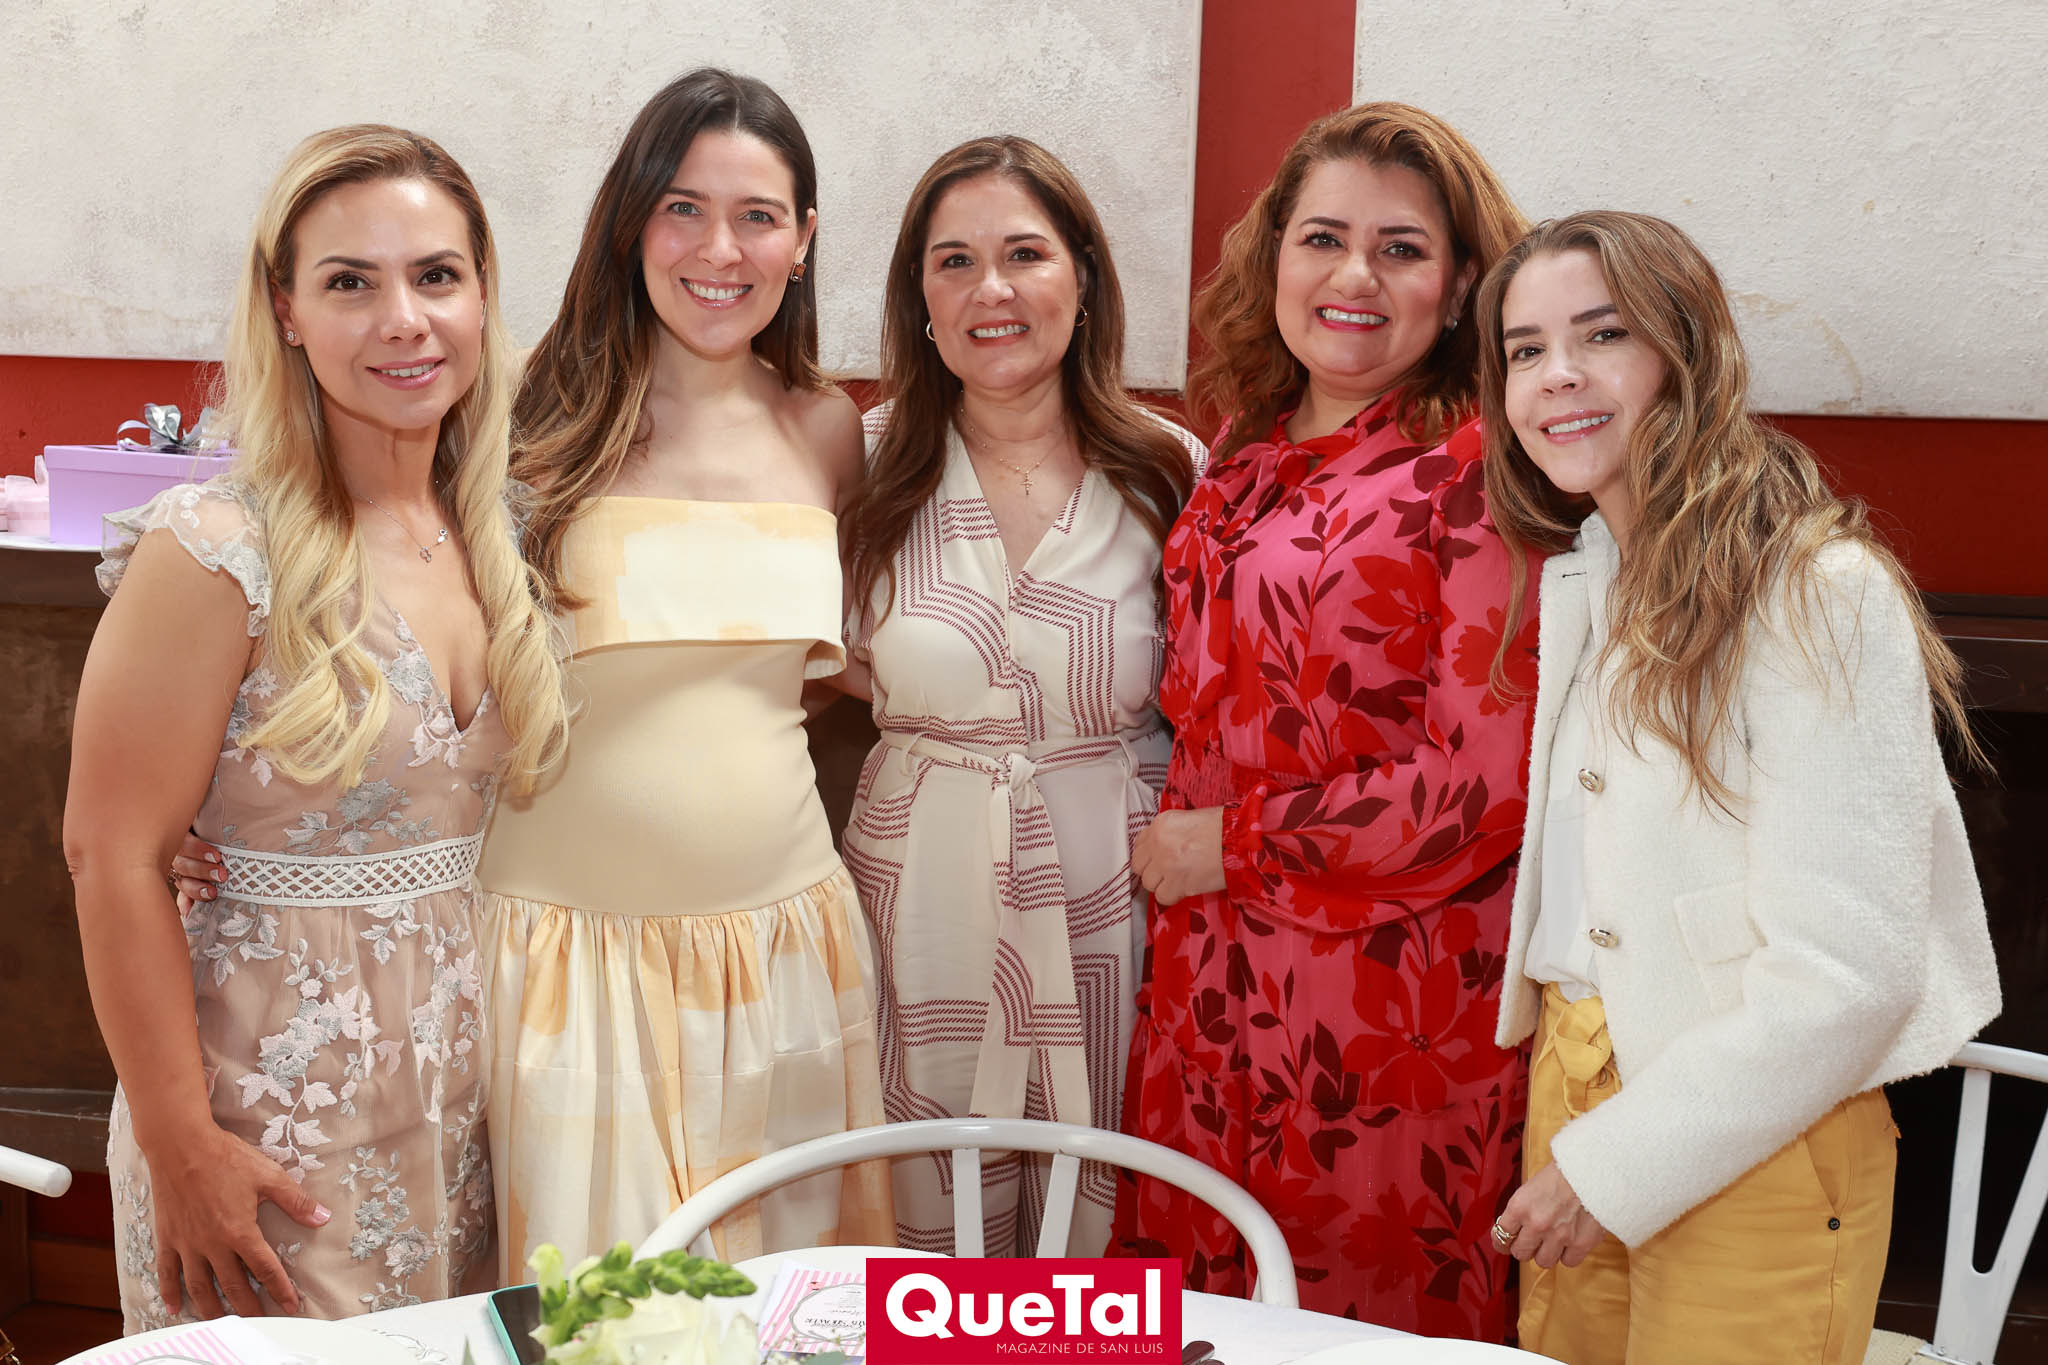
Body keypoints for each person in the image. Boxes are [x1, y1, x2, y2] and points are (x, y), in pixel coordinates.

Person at [68, 125, 568, 1328]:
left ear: (482, 296)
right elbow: (112, 857)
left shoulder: (500, 532)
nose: (404, 320)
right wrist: (184, 1148)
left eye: (436, 276)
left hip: (460, 1092)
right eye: (351, 282)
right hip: (263, 1104)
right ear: (285, 310)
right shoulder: (212, 551)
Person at [1477, 210, 1999, 1364]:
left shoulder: (1819, 590)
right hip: (1573, 1092)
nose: (1554, 374)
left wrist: (1612, 1166)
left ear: (1685, 352)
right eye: (1522, 349)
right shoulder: (1586, 580)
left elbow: (1848, 976)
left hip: (1760, 1131)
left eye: (1599, 334)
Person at [1110, 103, 1536, 1337]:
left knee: (1348, 1328)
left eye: (1401, 249)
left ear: (1460, 288)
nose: (1354, 276)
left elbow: (1482, 781)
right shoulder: (1242, 452)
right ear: (1274, 258)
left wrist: (1231, 845)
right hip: (1206, 983)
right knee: (1196, 1318)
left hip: (1382, 1008)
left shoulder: (1478, 472)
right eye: (1322, 239)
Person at [479, 68, 888, 1270]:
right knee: (592, 1319)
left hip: (785, 956)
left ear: (801, 241)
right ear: (630, 222)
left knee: (782, 1314)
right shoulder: (517, 413)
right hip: (568, 962)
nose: (720, 250)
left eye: (757, 216)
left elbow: (821, 676)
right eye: (682, 209)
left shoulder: (827, 427)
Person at [840, 136, 1202, 1256]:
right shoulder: (858, 463)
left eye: (1024, 254)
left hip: (1115, 894)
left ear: (1082, 278)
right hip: (920, 892)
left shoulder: (1169, 469)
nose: (989, 289)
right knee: (924, 1214)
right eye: (953, 261)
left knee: (1107, 1214)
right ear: (920, 299)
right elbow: (813, 664)